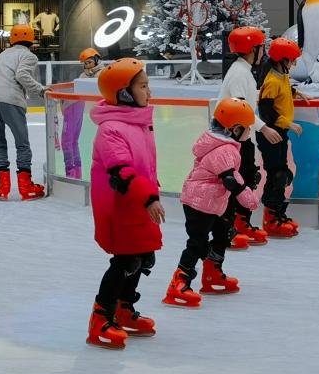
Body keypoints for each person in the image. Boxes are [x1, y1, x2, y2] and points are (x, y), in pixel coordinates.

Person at [87, 58, 165, 350]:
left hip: (139, 201)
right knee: (125, 262)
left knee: (143, 258)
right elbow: (121, 171)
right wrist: (150, 198)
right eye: (143, 86)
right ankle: (100, 318)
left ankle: (123, 309)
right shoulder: (111, 128)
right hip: (121, 204)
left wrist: (149, 195)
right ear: (124, 93)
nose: (149, 91)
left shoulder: (138, 121)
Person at [163, 98, 260, 308]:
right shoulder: (225, 150)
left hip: (211, 202)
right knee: (197, 243)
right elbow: (231, 179)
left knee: (223, 233)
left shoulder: (224, 145)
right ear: (235, 129)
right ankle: (179, 283)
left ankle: (212, 274)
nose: (250, 132)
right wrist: (248, 198)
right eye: (248, 128)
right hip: (199, 203)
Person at [217, 27, 283, 247]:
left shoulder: (244, 71)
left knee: (246, 178)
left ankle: (241, 221)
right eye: (261, 48)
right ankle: (227, 229)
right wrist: (264, 128)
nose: (264, 52)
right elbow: (240, 110)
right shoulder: (238, 73)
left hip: (242, 137)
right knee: (234, 182)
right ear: (252, 49)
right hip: (232, 137)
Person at [0, 24, 48, 201]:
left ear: (12, 39)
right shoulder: (29, 56)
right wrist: (40, 89)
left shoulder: (4, 53)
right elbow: (22, 75)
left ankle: (3, 185)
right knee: (22, 143)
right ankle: (25, 185)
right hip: (11, 99)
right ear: (31, 39)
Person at [256, 38, 311, 238]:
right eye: (292, 60)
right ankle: (270, 218)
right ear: (282, 60)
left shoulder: (282, 76)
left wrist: (299, 93)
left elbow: (285, 90)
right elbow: (266, 111)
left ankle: (278, 212)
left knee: (283, 173)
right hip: (270, 133)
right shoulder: (271, 81)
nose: (294, 63)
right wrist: (289, 124)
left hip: (279, 132)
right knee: (276, 175)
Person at [61, 48, 105, 178]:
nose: (87, 66)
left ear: (96, 61)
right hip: (81, 109)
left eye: (89, 62)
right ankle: (74, 174)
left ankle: (74, 173)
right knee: (71, 141)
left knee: (71, 142)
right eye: (85, 63)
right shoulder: (82, 77)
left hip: (99, 114)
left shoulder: (104, 74)